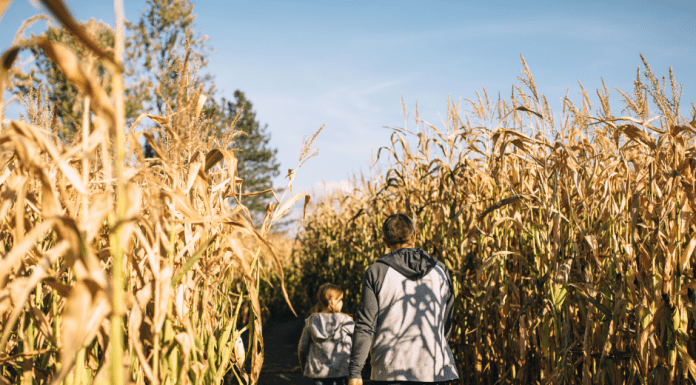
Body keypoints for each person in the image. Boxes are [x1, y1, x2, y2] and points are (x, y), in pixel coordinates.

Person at [348, 213, 459, 385]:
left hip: (390, 370)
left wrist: (355, 371)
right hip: (435, 369)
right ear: (414, 236)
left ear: (385, 241)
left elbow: (365, 325)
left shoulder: (376, 272)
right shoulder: (441, 271)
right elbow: (446, 321)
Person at [299, 283, 356, 385]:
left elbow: (302, 347)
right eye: (341, 299)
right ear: (333, 301)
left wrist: (303, 365)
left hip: (318, 373)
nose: (342, 302)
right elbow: (359, 339)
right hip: (340, 373)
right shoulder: (346, 321)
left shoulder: (311, 321)